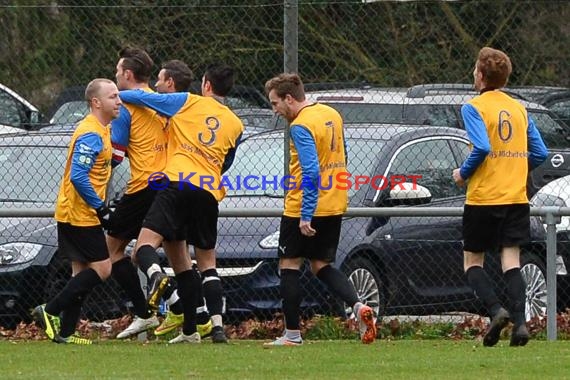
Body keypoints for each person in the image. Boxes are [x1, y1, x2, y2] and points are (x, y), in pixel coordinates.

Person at [119, 63, 244, 344]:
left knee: (143, 249)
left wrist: (115, 96)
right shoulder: (237, 124)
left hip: (176, 183)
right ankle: (210, 328)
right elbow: (226, 162)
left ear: (207, 85)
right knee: (205, 264)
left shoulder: (189, 102)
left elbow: (144, 98)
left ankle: (156, 277)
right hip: (208, 191)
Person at [262, 73, 376, 347]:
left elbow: (311, 171)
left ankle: (291, 335)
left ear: (289, 99)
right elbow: (342, 156)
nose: (274, 110)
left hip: (304, 205)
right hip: (334, 202)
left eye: (275, 103)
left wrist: (305, 214)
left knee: (288, 266)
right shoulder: (330, 114)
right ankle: (358, 307)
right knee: (321, 265)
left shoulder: (301, 126)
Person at [452, 47, 548, 347]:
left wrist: (462, 174)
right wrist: (516, 167)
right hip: (516, 197)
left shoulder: (474, 107)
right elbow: (541, 152)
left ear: (481, 76)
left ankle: (496, 310)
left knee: (472, 262)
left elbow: (481, 148)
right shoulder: (519, 108)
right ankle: (520, 325)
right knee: (511, 261)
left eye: (474, 69)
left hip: (485, 198)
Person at [32, 78, 121, 344]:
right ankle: (49, 310)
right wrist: (100, 207)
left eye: (118, 96)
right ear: (96, 102)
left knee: (80, 272)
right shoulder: (91, 132)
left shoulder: (102, 129)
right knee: (103, 269)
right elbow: (79, 176)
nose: (118, 101)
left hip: (77, 212)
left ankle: (66, 334)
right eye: (113, 97)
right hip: (79, 214)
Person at [149, 59, 213, 337]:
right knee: (182, 261)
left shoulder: (180, 106)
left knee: (135, 249)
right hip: (186, 187)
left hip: (164, 186)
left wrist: (117, 92)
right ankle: (194, 324)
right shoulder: (192, 109)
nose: (155, 85)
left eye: (159, 81)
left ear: (170, 84)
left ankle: (171, 303)